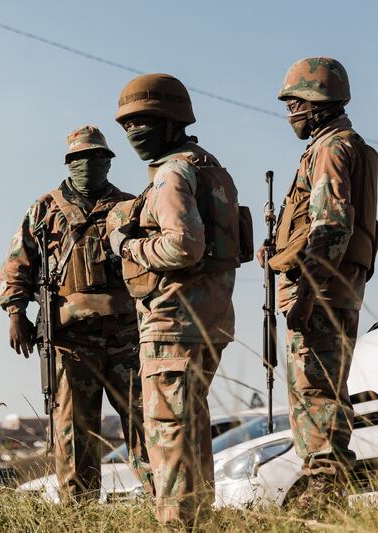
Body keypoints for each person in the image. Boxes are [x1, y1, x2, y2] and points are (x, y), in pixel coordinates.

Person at [109, 73, 240, 526]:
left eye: (143, 121)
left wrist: (128, 247)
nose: (133, 133)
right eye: (127, 125)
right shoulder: (213, 168)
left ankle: (179, 523)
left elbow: (183, 246)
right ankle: (200, 521)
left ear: (171, 120)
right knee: (191, 431)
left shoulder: (171, 173)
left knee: (169, 435)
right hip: (211, 318)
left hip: (173, 323)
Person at [0, 125, 152, 502]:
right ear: (69, 163)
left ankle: (163, 503)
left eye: (97, 158)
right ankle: (79, 512)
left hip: (125, 337)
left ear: (108, 162)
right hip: (71, 341)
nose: (89, 164)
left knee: (145, 423)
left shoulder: (129, 206)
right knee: (73, 432)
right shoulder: (44, 210)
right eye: (81, 158)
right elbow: (18, 264)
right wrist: (15, 312)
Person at [260, 57, 378, 510]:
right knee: (325, 388)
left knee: (315, 390)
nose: (290, 112)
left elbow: (331, 227)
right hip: (336, 288)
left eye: (294, 103)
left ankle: (324, 490)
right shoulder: (351, 146)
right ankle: (326, 485)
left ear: (316, 103)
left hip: (321, 292)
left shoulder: (331, 148)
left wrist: (306, 293)